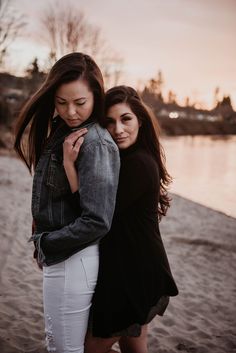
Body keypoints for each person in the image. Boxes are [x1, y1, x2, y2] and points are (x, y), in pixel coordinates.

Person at [14, 52, 120, 353]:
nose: (70, 111)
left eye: (80, 102)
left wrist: (47, 244)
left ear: (96, 96)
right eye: (61, 102)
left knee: (62, 348)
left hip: (74, 259)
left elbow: (97, 220)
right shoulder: (67, 132)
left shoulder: (96, 143)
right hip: (66, 256)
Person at [63, 85, 178, 353]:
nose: (118, 129)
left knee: (91, 348)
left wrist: (70, 166)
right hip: (136, 267)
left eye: (126, 119)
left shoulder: (138, 164)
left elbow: (91, 213)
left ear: (140, 120)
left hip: (132, 275)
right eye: (110, 122)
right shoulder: (124, 159)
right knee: (134, 346)